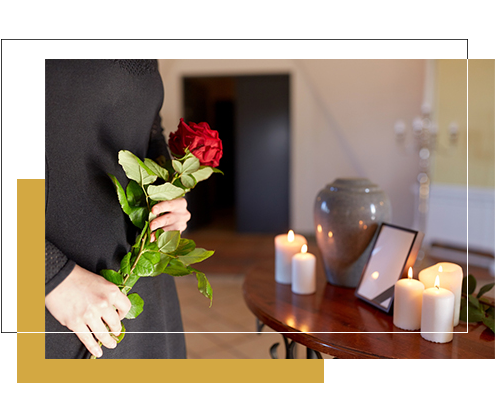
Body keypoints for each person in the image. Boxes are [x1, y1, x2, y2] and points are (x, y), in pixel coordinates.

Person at [44, 59, 190, 359]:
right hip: (65, 296)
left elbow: (149, 129)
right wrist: (50, 275)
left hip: (140, 276)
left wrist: (166, 190)